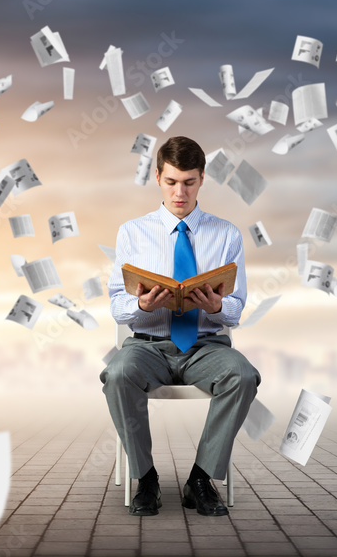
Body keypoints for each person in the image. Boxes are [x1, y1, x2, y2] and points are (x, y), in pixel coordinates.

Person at [102, 136, 260, 517]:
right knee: (117, 373)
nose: (180, 192)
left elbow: (237, 310)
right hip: (147, 345)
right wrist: (141, 303)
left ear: (202, 179)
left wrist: (217, 305)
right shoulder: (132, 232)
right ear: (157, 177)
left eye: (189, 182)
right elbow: (116, 306)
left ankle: (201, 479)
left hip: (206, 346)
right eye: (172, 182)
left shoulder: (226, 234)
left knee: (243, 376)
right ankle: (147, 478)